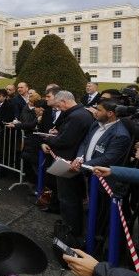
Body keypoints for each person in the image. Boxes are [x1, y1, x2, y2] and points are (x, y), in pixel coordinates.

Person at [41, 90, 93, 242]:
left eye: (58, 105)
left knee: (67, 198)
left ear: (64, 101)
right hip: (72, 160)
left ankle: (70, 232)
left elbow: (65, 140)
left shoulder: (76, 116)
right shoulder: (82, 113)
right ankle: (71, 229)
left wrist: (47, 138)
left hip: (68, 162)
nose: (58, 108)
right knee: (71, 198)